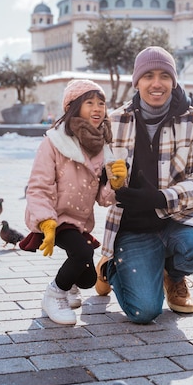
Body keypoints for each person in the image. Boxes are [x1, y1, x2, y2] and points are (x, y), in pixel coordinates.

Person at [95, 46, 193, 324]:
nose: (156, 83)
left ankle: (173, 274)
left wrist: (161, 198)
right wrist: (110, 187)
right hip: (132, 227)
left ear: (173, 81)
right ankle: (111, 266)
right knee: (144, 312)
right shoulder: (114, 122)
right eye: (148, 75)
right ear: (137, 81)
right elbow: (98, 187)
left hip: (178, 220)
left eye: (164, 76)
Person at [21, 79, 127, 326]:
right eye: (89, 102)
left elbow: (103, 198)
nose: (97, 108)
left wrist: (117, 183)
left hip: (79, 221)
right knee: (82, 252)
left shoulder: (102, 147)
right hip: (54, 217)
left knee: (89, 279)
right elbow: (39, 186)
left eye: (101, 103)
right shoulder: (54, 142)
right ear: (73, 107)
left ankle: (70, 287)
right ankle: (54, 293)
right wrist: (46, 221)